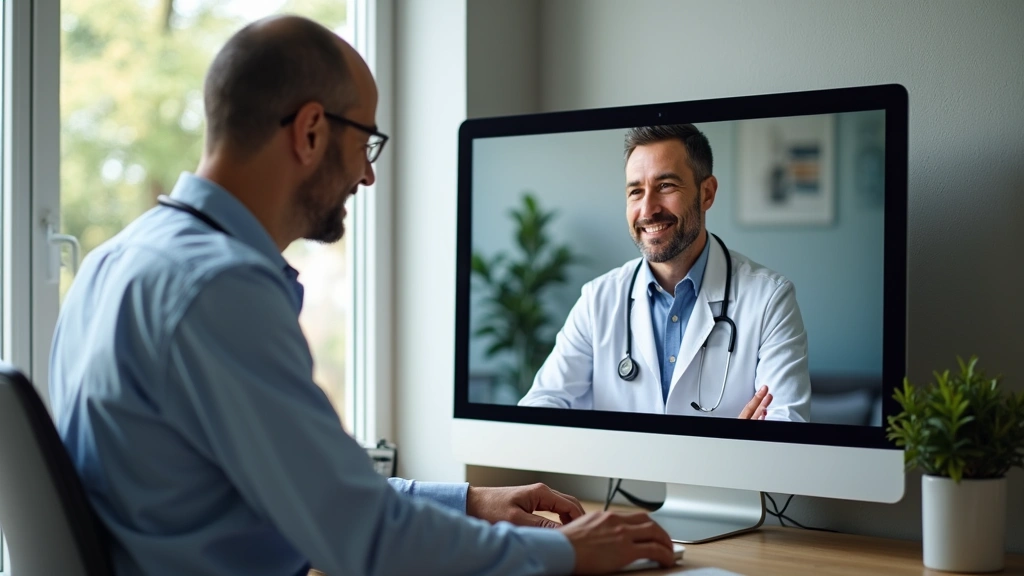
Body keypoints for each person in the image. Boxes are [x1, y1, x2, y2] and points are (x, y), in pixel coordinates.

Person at [48, 15, 677, 576]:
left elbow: (322, 493)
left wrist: (469, 501)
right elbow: (368, 543)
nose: (367, 173)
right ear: (310, 131)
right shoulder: (219, 290)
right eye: (365, 142)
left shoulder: (115, 263)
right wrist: (568, 551)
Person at [518, 124, 811, 422]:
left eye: (666, 186)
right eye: (636, 191)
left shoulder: (770, 299)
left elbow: (786, 428)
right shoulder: (597, 300)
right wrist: (734, 439)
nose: (648, 210)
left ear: (706, 193)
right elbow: (539, 405)